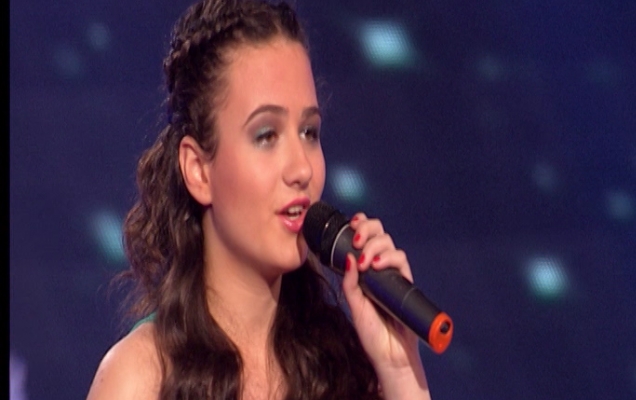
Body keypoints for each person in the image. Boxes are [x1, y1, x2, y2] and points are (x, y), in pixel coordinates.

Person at [86, 0, 432, 398]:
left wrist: (400, 371)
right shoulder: (141, 378)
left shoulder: (343, 370)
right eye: (266, 135)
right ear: (198, 170)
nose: (301, 168)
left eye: (309, 132)